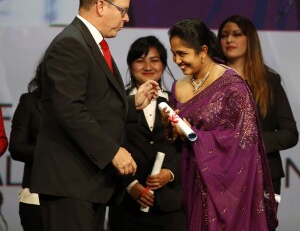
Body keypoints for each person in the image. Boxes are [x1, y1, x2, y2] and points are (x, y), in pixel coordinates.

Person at [30, 0, 160, 231]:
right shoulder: (71, 43)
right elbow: (69, 109)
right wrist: (112, 151)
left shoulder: (90, 43)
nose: (127, 19)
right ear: (101, 6)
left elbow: (95, 104)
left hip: (87, 184)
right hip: (69, 183)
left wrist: (133, 103)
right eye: (123, 10)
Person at [163, 18, 278, 230]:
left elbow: (243, 143)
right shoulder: (178, 86)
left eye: (182, 54)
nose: (176, 60)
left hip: (228, 190)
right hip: (191, 182)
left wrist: (195, 136)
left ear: (203, 51)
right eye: (173, 53)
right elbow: (176, 143)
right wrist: (172, 129)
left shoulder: (233, 86)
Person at [109, 36, 187, 231]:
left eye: (154, 60)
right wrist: (130, 185)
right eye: (140, 60)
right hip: (127, 208)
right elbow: (106, 146)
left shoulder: (179, 104)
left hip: (172, 208)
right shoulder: (116, 105)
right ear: (130, 65)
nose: (147, 66)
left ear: (163, 64)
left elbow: (189, 149)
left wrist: (170, 173)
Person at [217, 14, 299, 199]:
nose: (229, 39)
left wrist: (252, 142)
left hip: (264, 175)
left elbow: (290, 134)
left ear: (250, 40)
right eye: (224, 35)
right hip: (220, 175)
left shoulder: (270, 81)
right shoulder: (209, 83)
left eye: (237, 34)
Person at [9, 62, 44, 231]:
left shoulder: (85, 104)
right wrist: (50, 152)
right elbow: (16, 148)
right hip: (36, 195)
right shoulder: (29, 102)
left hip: (76, 197)